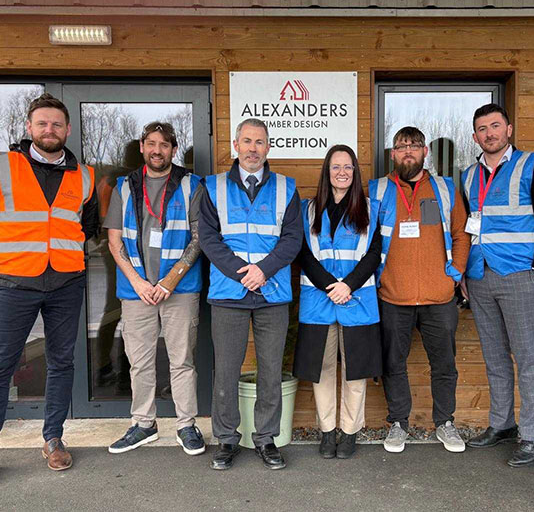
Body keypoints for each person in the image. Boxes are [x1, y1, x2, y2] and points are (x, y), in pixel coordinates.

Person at [0, 93, 99, 492]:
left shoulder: (84, 175)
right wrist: (7, 250)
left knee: (61, 361)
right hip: (13, 283)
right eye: (42, 124)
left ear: (67, 129)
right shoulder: (2, 167)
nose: (49, 130)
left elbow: (85, 226)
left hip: (66, 282)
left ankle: (52, 438)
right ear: (29, 128)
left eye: (56, 124)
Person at [459, 103, 534, 467]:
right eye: (482, 129)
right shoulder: (468, 175)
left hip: (520, 276)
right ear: (475, 137)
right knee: (494, 358)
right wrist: (463, 276)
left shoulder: (532, 165)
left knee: (528, 358)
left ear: (509, 129)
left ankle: (532, 435)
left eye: (495, 126)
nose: (489, 133)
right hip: (480, 276)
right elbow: (467, 229)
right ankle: (501, 424)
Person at [199, 118, 303, 470]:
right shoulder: (212, 187)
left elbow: (293, 239)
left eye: (259, 142)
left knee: (271, 371)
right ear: (235, 145)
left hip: (272, 293)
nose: (253, 149)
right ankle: (227, 439)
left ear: (268, 147)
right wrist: (243, 273)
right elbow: (209, 239)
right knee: (226, 371)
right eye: (247, 141)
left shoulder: (287, 187)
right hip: (229, 292)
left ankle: (266, 439)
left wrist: (263, 270)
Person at [104, 122, 206, 455]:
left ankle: (186, 425)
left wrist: (168, 281)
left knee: (182, 361)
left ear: (173, 149)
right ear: (143, 147)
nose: (157, 150)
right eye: (151, 144)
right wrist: (138, 282)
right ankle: (143, 424)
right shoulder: (123, 186)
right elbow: (114, 240)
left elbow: (199, 238)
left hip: (180, 289)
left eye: (164, 145)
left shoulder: (192, 185)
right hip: (137, 291)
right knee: (140, 362)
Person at [369, 126, 470, 454]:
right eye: (401, 146)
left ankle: (445, 422)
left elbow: (461, 233)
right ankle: (398, 422)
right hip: (392, 295)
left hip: (438, 296)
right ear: (393, 154)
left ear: (425, 151)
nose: (407, 151)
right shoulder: (378, 190)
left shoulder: (444, 188)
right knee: (392, 362)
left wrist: (455, 274)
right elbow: (364, 239)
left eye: (414, 146)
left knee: (444, 363)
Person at [293, 145, 383, 459]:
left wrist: (348, 285)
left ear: (355, 172)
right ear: (326, 172)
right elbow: (303, 253)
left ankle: (349, 432)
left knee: (355, 370)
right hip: (319, 299)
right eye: (335, 167)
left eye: (348, 167)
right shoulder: (307, 209)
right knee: (324, 368)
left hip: (357, 298)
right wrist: (332, 286)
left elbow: (374, 254)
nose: (342, 172)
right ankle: (328, 430)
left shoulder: (371, 209)